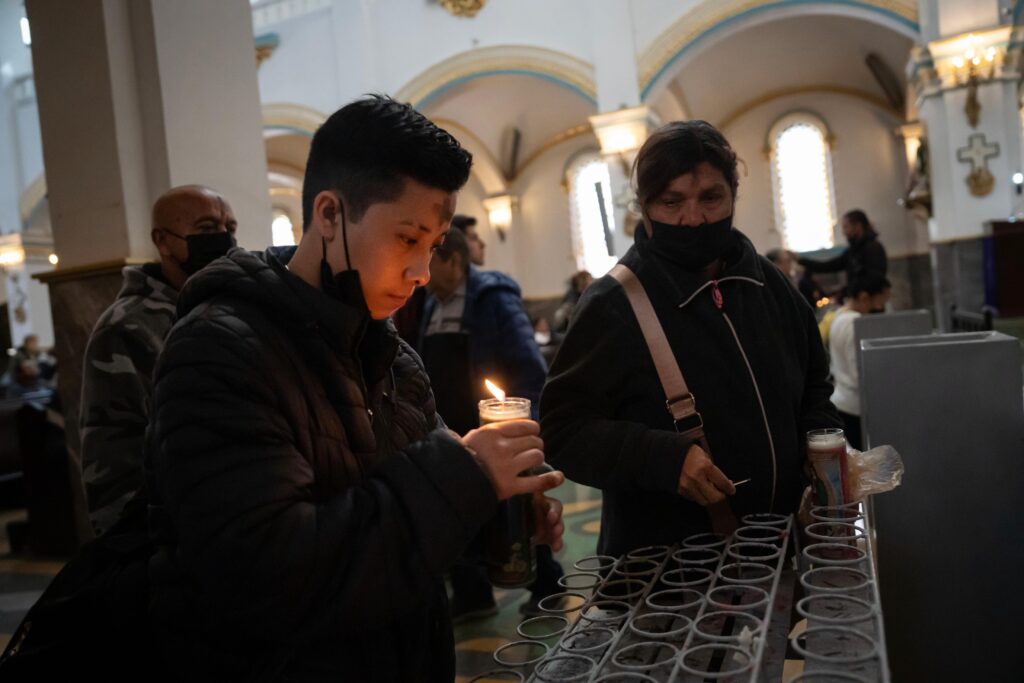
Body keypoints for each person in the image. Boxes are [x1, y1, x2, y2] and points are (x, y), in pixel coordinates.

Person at [145, 95, 564, 681]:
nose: (421, 273)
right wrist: (465, 475)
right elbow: (267, 577)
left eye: (433, 246)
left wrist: (496, 513)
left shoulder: (394, 358)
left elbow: (414, 524)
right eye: (407, 238)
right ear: (331, 214)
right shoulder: (217, 352)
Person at [541, 120, 840, 557]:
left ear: (733, 195)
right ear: (645, 206)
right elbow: (562, 430)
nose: (694, 218)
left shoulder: (767, 284)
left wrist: (821, 444)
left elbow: (815, 382)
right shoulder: (613, 304)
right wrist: (663, 458)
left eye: (711, 197)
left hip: (780, 548)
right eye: (672, 201)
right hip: (666, 571)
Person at [78, 185, 237, 537]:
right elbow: (113, 463)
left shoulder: (231, 308)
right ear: (163, 242)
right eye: (207, 229)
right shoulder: (126, 329)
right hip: (173, 537)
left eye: (230, 228)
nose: (224, 239)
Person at [420, 227, 562, 619]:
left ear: (454, 260)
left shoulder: (492, 299)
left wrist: (525, 434)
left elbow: (530, 369)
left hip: (499, 429)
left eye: (432, 256)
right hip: (454, 430)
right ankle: (473, 596)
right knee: (463, 512)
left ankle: (548, 588)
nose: (421, 268)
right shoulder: (432, 304)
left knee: (518, 516)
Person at [827, 274, 892, 450]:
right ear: (864, 296)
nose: (882, 306)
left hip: (842, 400)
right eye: (881, 299)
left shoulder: (839, 316)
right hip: (855, 405)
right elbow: (859, 370)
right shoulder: (856, 323)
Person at [798, 209, 888, 292]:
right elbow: (828, 266)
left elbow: (874, 280)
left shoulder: (873, 248)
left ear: (858, 226)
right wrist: (800, 260)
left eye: (846, 227)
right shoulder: (853, 251)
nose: (843, 232)